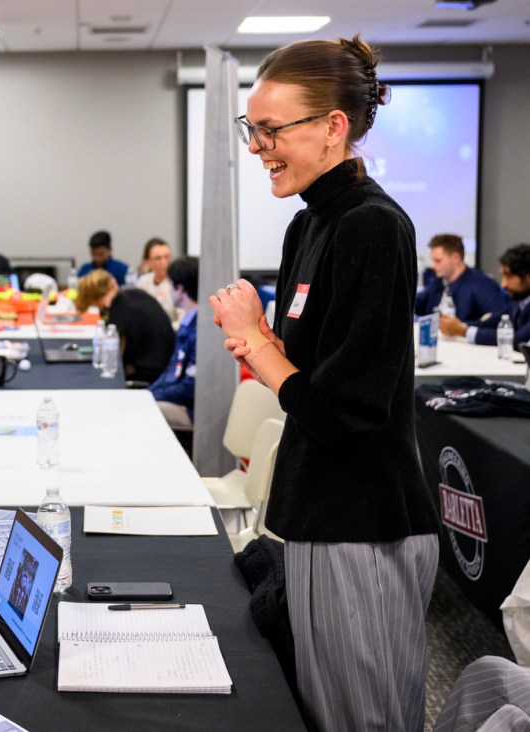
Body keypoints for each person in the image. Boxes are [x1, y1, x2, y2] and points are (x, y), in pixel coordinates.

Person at [211, 36, 440, 731]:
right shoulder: (308, 224)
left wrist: (255, 342)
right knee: (319, 710)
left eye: (272, 130)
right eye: (253, 130)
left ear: (333, 127)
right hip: (313, 512)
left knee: (364, 721)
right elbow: (300, 372)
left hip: (363, 524)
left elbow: (346, 410)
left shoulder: (373, 227)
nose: (258, 147)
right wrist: (262, 344)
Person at [75, 268, 174, 383]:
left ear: (96, 299)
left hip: (149, 373)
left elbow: (115, 357)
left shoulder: (120, 311)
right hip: (166, 365)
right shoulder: (134, 294)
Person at [440, 242, 530, 346]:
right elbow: (493, 322)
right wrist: (458, 326)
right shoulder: (518, 301)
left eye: (508, 276)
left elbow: (518, 339)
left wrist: (464, 331)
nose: (503, 284)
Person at [148, 256, 198, 429]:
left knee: (144, 410)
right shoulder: (188, 323)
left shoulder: (199, 330)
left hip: (191, 409)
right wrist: (149, 393)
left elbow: (189, 389)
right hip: (179, 399)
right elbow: (172, 372)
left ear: (180, 289)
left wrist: (152, 396)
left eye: (171, 286)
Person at [414, 233, 508, 321]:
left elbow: (497, 320)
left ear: (455, 257)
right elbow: (418, 304)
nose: (433, 266)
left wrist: (463, 328)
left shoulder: (483, 285)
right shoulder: (438, 282)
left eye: (438, 261)